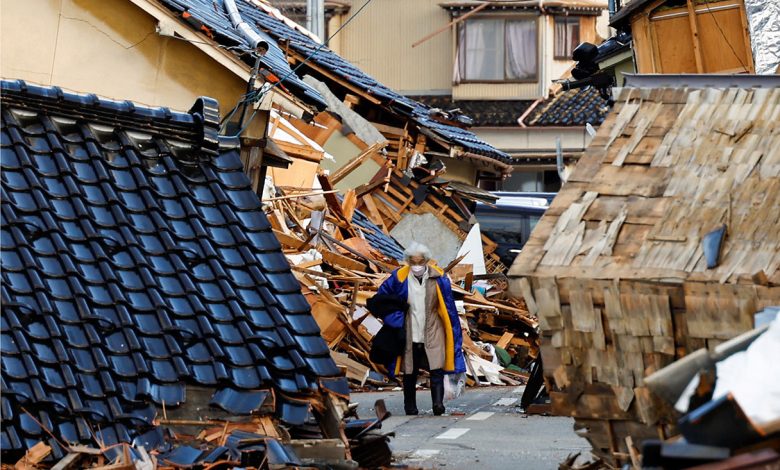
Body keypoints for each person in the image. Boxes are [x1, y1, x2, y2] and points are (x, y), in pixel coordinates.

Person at [375, 242, 465, 416]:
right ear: (408, 261)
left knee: (436, 367)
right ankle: (410, 406)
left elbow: (448, 306)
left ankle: (438, 404)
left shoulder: (438, 278)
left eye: (420, 261)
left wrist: (453, 331)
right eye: (413, 262)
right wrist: (394, 319)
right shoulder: (399, 277)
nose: (416, 266)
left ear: (426, 261)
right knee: (410, 369)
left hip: (433, 328)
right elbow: (382, 298)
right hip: (409, 329)